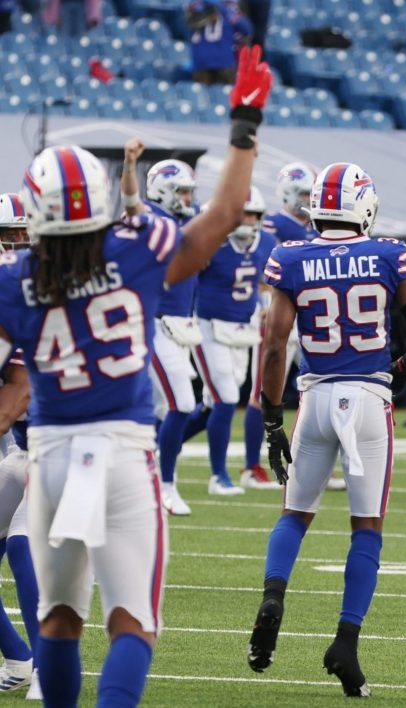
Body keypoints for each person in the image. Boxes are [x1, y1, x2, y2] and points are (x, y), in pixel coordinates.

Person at [0, 46, 271, 705]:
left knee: (59, 618)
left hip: (52, 455)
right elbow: (221, 218)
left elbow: (12, 371)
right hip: (120, 453)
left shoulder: (13, 281)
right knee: (133, 623)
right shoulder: (137, 248)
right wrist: (242, 129)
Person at [246, 162, 406, 697]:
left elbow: (273, 343)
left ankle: (274, 595)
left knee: (294, 514)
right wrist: (400, 371)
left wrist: (270, 416)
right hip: (370, 398)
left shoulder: (289, 256)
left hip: (314, 396)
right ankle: (345, 644)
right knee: (367, 528)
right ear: (365, 207)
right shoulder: (386, 253)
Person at [121, 153, 202, 516]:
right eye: (182, 193)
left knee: (158, 408)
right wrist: (127, 167)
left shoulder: (180, 220)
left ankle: (137, 473)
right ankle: (164, 484)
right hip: (154, 324)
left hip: (178, 326)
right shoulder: (152, 219)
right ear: (163, 190)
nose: (188, 199)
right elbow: (131, 207)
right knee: (182, 403)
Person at [183, 187, 278, 495]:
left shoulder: (265, 241)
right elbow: (185, 281)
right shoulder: (211, 243)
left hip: (242, 328)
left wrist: (265, 305)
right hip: (208, 325)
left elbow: (264, 281)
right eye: (243, 213)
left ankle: (159, 446)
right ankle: (218, 476)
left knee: (215, 403)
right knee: (224, 397)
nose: (248, 220)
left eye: (253, 214)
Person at [241, 161, 320, 489]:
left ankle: (316, 464)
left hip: (306, 319)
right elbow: (259, 274)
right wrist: (265, 305)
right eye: (303, 193)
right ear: (288, 192)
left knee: (314, 389)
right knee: (262, 391)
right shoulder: (272, 226)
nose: (307, 199)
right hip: (278, 316)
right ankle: (250, 466)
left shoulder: (311, 228)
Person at [0, 196, 41, 699]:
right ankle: (18, 656)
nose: (13, 248)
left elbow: (21, 389)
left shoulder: (44, 296)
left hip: (67, 445)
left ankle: (50, 664)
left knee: (22, 544)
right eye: (6, 237)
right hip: (20, 447)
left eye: (20, 237)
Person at [186, 0, 253, 85]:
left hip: (200, 62)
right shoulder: (226, 11)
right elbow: (247, 28)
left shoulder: (194, 9)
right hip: (223, 61)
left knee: (202, 95)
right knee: (224, 94)